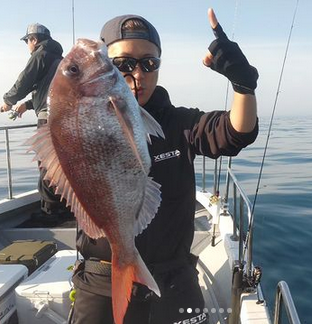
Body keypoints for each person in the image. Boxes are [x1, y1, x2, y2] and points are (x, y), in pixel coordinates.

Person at [70, 9, 259, 324]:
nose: (138, 74)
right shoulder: (86, 124)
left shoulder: (177, 123)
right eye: (123, 64)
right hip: (104, 279)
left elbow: (235, 132)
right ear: (103, 68)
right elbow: (55, 185)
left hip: (173, 281)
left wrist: (244, 85)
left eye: (149, 63)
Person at [0, 23, 66, 216]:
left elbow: (24, 82)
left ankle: (51, 210)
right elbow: (48, 89)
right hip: (63, 119)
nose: (28, 45)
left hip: (48, 121)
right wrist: (27, 105)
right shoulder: (58, 58)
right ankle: (64, 205)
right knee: (61, 164)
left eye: (27, 41)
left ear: (34, 40)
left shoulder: (41, 54)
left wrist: (8, 101)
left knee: (46, 163)